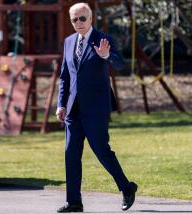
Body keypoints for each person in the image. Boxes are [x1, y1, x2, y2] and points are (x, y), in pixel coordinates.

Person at [56, 2, 137, 213]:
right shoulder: (68, 42)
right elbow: (65, 76)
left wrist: (106, 56)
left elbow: (120, 64)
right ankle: (74, 201)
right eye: (74, 19)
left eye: (82, 18)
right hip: (73, 110)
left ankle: (126, 188)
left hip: (96, 109)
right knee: (70, 153)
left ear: (91, 18)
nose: (79, 23)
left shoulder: (104, 40)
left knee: (102, 151)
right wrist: (61, 104)